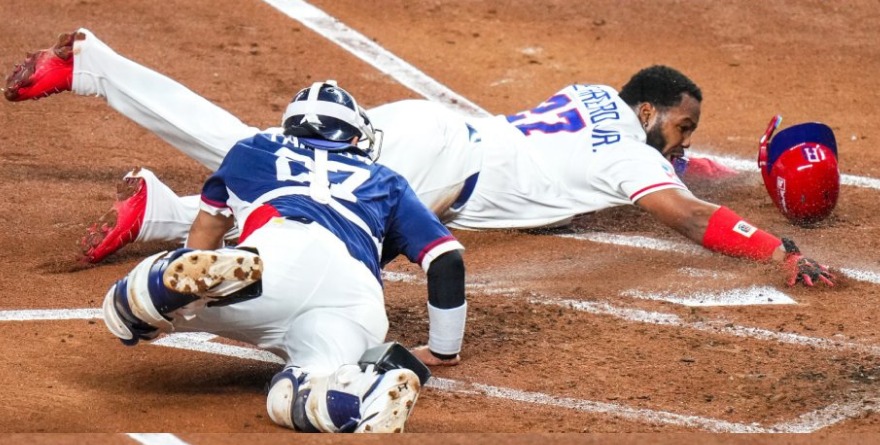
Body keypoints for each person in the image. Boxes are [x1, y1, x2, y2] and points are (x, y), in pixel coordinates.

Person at [4, 29, 833, 287]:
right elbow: (686, 212)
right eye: (684, 131)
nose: (685, 147)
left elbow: (676, 167)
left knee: (295, 196)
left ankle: (164, 212)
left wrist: (728, 166)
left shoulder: (597, 101)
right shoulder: (627, 153)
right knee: (255, 161)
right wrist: (780, 249)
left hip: (430, 131)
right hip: (433, 167)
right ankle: (98, 67)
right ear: (650, 112)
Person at [100, 80, 467, 432]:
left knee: (128, 308)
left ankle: (196, 284)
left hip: (277, 259)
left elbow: (206, 231)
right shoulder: (387, 180)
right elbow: (446, 259)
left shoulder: (255, 149)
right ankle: (363, 397)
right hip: (355, 298)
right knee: (296, 393)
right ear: (356, 137)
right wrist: (443, 350)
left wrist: (188, 296)